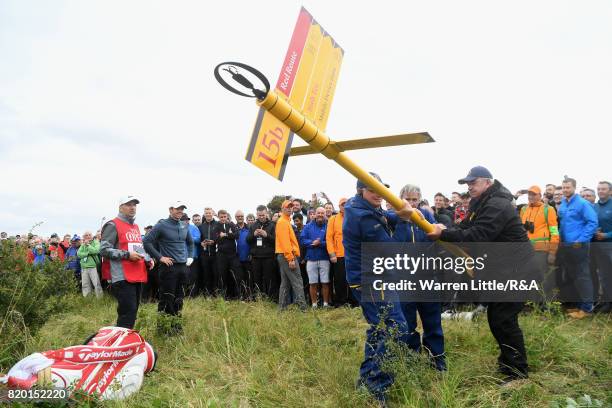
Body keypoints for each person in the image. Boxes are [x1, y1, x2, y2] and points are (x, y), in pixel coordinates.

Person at [427, 166, 533, 384]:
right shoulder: (482, 202)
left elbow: (478, 235)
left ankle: (518, 373)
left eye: (473, 182)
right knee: (498, 318)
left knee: (503, 320)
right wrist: (443, 228)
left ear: (487, 182)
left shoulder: (497, 204)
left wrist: (444, 233)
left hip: (517, 270)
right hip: (504, 270)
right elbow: (466, 226)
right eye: (467, 183)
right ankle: (508, 363)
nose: (469, 187)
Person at [343, 171, 415, 402]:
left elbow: (385, 217)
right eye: (373, 189)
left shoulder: (366, 208)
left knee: (379, 328)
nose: (379, 194)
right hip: (372, 281)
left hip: (374, 279)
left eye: (382, 189)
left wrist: (401, 214)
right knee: (397, 328)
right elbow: (392, 251)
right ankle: (375, 388)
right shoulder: (361, 216)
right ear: (361, 190)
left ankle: (367, 379)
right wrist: (404, 219)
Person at [394, 184, 446, 371]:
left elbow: (435, 237)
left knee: (432, 320)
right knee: (407, 322)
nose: (411, 203)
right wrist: (404, 221)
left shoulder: (427, 214)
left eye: (415, 199)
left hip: (426, 276)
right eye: (407, 199)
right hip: (404, 278)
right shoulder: (395, 217)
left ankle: (437, 359)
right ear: (401, 199)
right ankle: (412, 358)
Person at [100, 195, 153, 329]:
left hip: (137, 275)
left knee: (133, 312)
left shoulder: (135, 226)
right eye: (129, 204)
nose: (132, 207)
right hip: (121, 276)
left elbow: (138, 248)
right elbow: (104, 250)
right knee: (127, 313)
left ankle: (125, 343)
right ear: (120, 207)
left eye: (134, 205)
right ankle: (119, 346)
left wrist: (147, 259)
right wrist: (127, 255)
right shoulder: (112, 224)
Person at [143, 201, 194, 334]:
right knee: (167, 298)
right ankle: (163, 328)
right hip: (168, 267)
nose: (180, 211)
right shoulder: (161, 225)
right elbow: (146, 242)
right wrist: (160, 257)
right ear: (171, 209)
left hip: (182, 267)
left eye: (182, 209)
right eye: (177, 209)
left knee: (179, 298)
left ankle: (176, 327)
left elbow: (190, 243)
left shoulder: (184, 225)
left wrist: (190, 257)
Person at [557, 177, 598, 319]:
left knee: (582, 277)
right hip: (566, 246)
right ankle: (578, 305)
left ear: (574, 187)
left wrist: (581, 239)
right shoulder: (563, 203)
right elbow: (563, 224)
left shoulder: (583, 203)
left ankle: (587, 308)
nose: (565, 190)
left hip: (579, 246)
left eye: (568, 187)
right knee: (573, 276)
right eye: (563, 187)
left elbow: (592, 222)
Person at [517, 185, 559, 300]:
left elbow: (554, 231)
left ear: (540, 196)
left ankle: (547, 306)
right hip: (527, 251)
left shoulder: (548, 209)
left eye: (534, 194)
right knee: (529, 278)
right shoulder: (524, 209)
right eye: (529, 194)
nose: (531, 196)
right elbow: (520, 230)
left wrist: (552, 252)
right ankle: (533, 304)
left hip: (542, 251)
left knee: (544, 279)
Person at [276, 200, 307, 311]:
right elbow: (285, 242)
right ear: (282, 209)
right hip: (287, 256)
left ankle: (282, 308)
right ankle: (303, 308)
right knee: (297, 281)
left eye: (291, 207)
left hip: (284, 255)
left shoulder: (285, 221)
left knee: (285, 283)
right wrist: (290, 258)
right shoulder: (283, 222)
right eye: (287, 207)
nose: (289, 208)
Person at [212, 210, 246, 299]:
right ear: (218, 217)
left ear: (227, 216)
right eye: (221, 217)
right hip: (221, 255)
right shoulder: (216, 226)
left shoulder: (231, 224)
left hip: (232, 254)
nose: (223, 218)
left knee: (237, 275)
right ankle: (223, 296)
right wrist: (228, 235)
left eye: (225, 217)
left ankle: (239, 295)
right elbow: (216, 240)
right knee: (222, 275)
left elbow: (237, 235)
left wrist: (226, 235)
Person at [301, 207, 331, 308]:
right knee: (312, 283)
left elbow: (330, 241)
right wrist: (312, 243)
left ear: (325, 214)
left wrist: (320, 243)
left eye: (322, 213)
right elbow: (302, 240)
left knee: (325, 282)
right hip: (311, 258)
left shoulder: (328, 226)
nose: (320, 215)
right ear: (315, 214)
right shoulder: (308, 226)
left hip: (324, 258)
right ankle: (314, 304)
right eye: (319, 213)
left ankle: (326, 304)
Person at [247, 205, 277, 300]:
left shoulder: (273, 225)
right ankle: (258, 298)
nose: (261, 217)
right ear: (257, 214)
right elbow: (247, 240)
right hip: (256, 257)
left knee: (269, 278)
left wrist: (266, 235)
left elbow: (277, 241)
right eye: (259, 215)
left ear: (266, 213)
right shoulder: (253, 225)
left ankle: (270, 298)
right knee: (256, 278)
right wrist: (253, 235)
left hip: (268, 257)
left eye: (263, 215)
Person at [326, 197, 352, 307]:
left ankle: (353, 301)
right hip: (338, 255)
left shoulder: (353, 217)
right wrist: (332, 254)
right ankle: (340, 302)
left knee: (353, 279)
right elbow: (329, 238)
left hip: (352, 254)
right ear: (339, 206)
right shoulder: (333, 218)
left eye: (346, 204)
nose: (345, 206)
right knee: (339, 280)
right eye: (342, 204)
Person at [593, 181, 612, 313]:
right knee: (604, 275)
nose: (600, 191)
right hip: (599, 246)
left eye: (604, 189)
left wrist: (606, 235)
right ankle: (607, 302)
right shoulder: (594, 206)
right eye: (599, 189)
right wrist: (594, 231)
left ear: (610, 191)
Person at [198, 207, 218, 296]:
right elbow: (198, 239)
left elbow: (221, 238)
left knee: (216, 274)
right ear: (204, 214)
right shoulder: (201, 226)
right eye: (206, 213)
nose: (208, 214)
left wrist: (214, 241)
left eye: (209, 213)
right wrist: (201, 243)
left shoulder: (218, 224)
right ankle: (207, 294)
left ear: (213, 213)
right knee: (206, 275)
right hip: (204, 254)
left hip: (216, 254)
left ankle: (216, 293)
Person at [77, 231, 103, 298]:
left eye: (89, 235)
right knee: (85, 284)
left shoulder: (96, 242)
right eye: (86, 235)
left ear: (92, 236)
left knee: (96, 283)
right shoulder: (83, 245)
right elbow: (79, 254)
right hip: (84, 267)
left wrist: (88, 245)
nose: (88, 236)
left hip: (93, 266)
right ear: (84, 237)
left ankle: (100, 298)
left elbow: (96, 251)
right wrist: (87, 253)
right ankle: (87, 298)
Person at [183, 213, 202, 297]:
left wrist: (188, 238)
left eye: (187, 219)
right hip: (181, 257)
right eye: (183, 220)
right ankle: (184, 294)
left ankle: (193, 295)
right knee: (184, 276)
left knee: (193, 276)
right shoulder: (177, 228)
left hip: (193, 256)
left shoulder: (194, 228)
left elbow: (198, 239)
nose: (185, 221)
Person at [235, 210, 252, 299]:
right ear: (235, 218)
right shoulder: (233, 228)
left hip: (248, 258)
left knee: (249, 278)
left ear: (243, 217)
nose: (240, 218)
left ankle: (249, 296)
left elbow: (253, 242)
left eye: (241, 216)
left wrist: (251, 253)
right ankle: (240, 296)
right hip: (236, 258)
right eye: (238, 216)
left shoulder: (249, 228)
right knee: (239, 278)